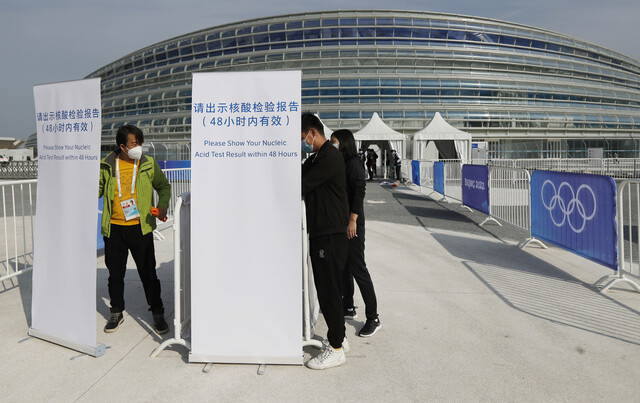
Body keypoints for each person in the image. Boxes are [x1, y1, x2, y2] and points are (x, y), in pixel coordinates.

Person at [98, 125, 171, 335]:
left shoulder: (147, 164)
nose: (138, 147)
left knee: (148, 273)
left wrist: (163, 206)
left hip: (141, 227)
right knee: (115, 275)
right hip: (115, 230)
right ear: (122, 146)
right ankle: (116, 312)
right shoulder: (107, 165)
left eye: (140, 142)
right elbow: (96, 190)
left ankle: (157, 312)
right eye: (134, 143)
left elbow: (164, 187)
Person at [301, 112, 349, 370]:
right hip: (324, 232)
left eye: (303, 138)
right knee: (330, 290)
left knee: (329, 291)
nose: (303, 143)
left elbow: (300, 184)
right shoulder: (317, 156)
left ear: (313, 133)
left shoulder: (329, 157)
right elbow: (299, 171)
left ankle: (336, 348)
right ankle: (340, 335)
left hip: (330, 234)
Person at [331, 129, 382, 337]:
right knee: (344, 267)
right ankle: (349, 306)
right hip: (343, 224)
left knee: (358, 268)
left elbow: (359, 191)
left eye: (334, 141)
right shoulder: (342, 162)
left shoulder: (353, 162)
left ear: (343, 142)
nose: (331, 144)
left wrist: (353, 220)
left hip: (353, 224)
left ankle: (373, 318)